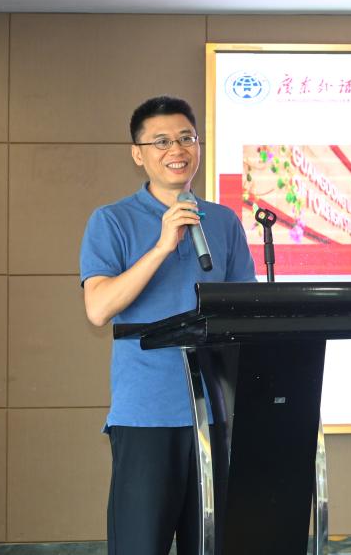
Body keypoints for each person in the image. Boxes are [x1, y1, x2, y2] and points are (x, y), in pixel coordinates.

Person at [80, 95, 256, 555]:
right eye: (160, 141)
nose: (176, 149)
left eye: (185, 138)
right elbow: (98, 308)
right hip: (146, 413)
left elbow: (246, 312)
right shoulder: (111, 221)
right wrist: (161, 246)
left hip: (214, 412)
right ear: (138, 154)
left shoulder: (224, 221)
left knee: (214, 544)